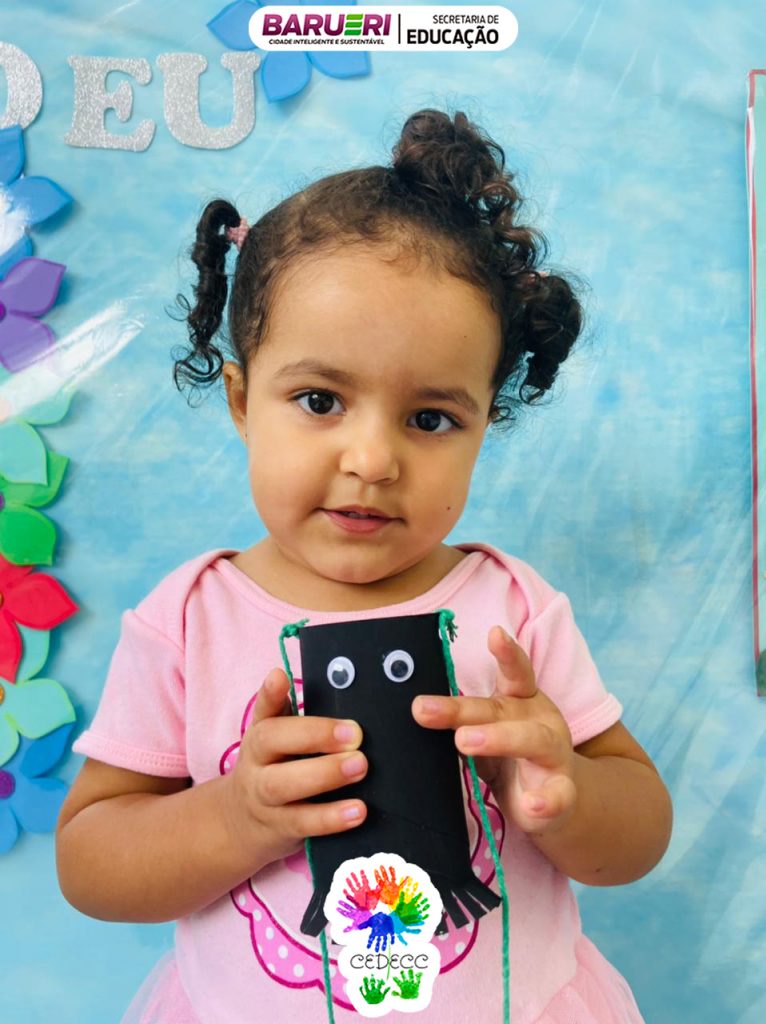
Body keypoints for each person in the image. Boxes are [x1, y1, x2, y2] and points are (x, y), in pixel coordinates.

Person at [55, 109, 672, 1024]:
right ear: (241, 401)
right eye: (319, 400)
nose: (374, 460)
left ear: (484, 426)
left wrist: (566, 795)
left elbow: (640, 833)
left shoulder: (512, 610)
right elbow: (91, 864)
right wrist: (235, 817)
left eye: (430, 419)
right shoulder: (188, 620)